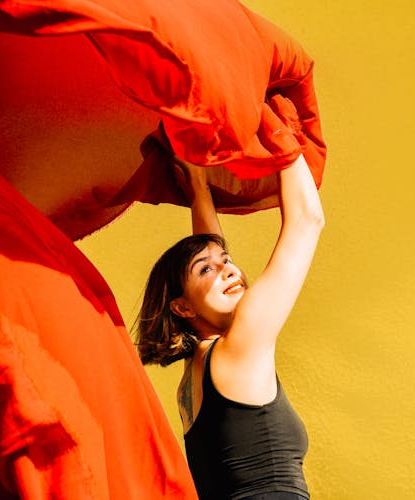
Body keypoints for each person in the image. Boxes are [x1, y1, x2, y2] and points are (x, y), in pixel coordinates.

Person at [136, 153, 324, 499]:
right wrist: (283, 140)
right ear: (181, 307)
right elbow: (308, 220)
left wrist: (198, 190)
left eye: (228, 261)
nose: (229, 270)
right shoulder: (236, 351)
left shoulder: (196, 376)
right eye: (206, 270)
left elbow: (209, 264)